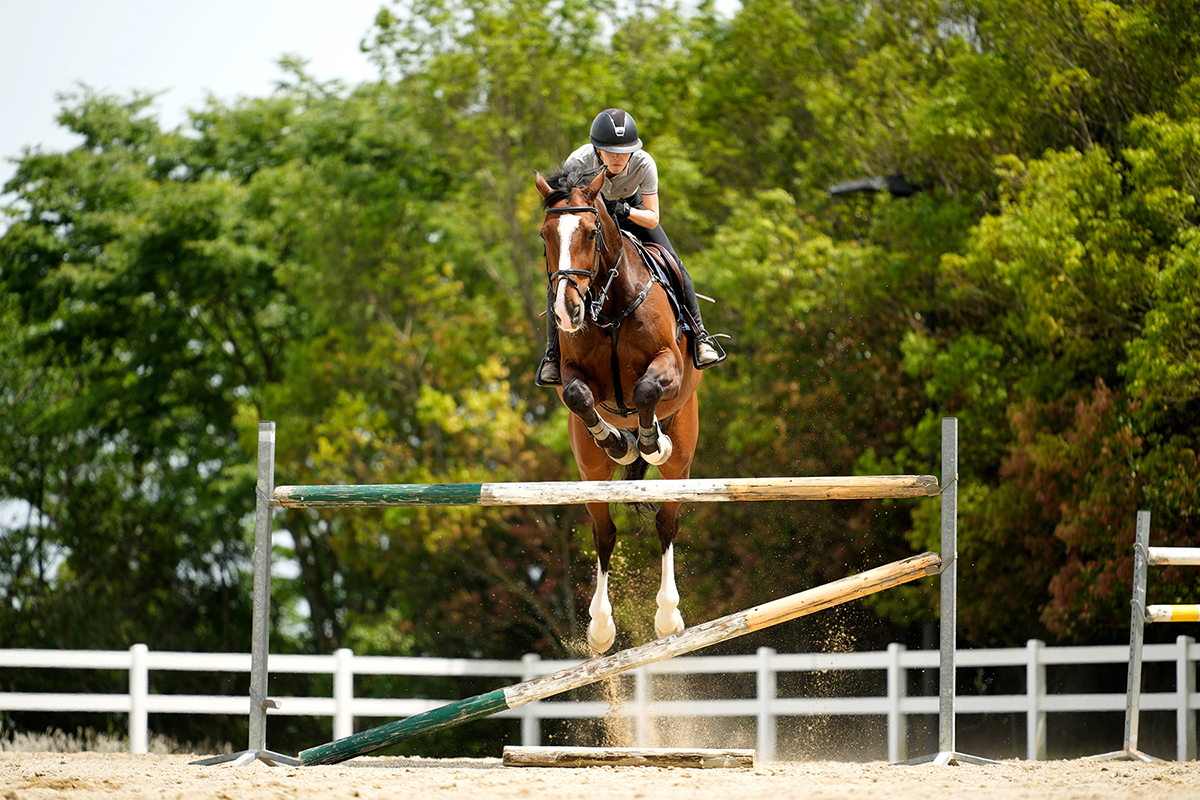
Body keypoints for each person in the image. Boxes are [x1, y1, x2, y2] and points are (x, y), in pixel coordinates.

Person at [536, 108, 725, 387]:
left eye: (624, 152)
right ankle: (553, 354)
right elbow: (568, 208)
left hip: (631, 211)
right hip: (591, 218)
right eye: (609, 151)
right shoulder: (578, 161)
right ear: (596, 149)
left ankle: (699, 336)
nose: (617, 158)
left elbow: (652, 217)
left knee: (674, 262)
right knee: (565, 273)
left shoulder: (644, 164)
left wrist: (623, 211)